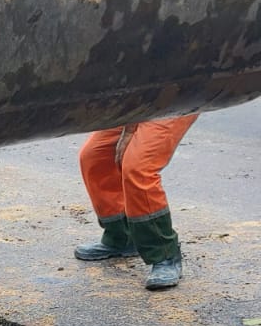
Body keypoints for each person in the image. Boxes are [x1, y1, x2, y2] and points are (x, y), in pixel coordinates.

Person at [72, 115, 199, 290]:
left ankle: (164, 255)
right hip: (136, 102)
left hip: (173, 98)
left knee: (138, 168)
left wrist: (130, 130)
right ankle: (122, 237)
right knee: (94, 156)